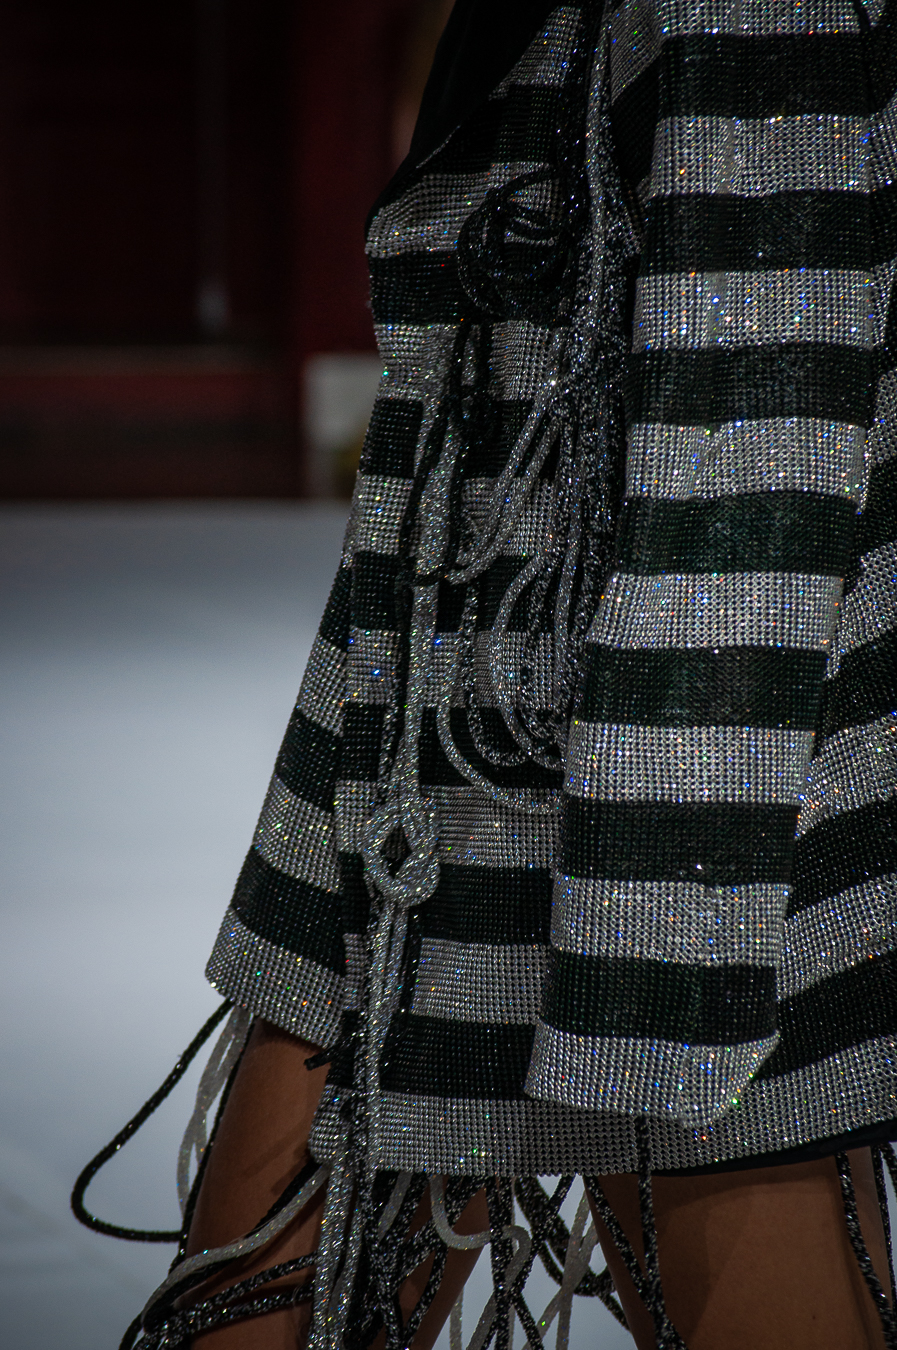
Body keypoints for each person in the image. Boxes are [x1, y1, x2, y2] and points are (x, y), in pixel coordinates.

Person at [98, 1, 897, 1346]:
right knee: (279, 1261)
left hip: (659, 750)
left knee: (720, 1159)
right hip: (449, 689)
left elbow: (758, 440)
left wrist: (657, 974)